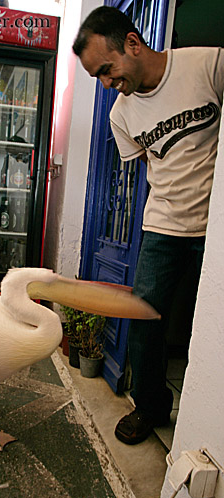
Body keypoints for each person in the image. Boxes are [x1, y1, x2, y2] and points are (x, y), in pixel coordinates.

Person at [73, 6, 224, 444]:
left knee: (211, 321)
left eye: (107, 69)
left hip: (215, 231)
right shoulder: (121, 115)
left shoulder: (208, 65)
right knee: (144, 322)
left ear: (133, 44)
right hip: (163, 229)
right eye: (96, 78)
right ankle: (151, 407)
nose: (106, 83)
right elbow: (147, 170)